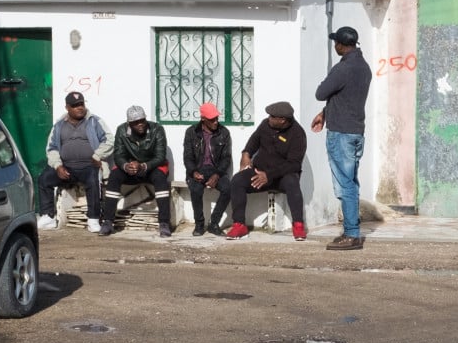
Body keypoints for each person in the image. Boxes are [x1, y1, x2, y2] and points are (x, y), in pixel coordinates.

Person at [312, 26, 372, 251]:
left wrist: (325, 108)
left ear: (340, 44)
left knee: (345, 185)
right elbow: (346, 98)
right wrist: (325, 113)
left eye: (336, 42)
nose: (334, 46)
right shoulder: (364, 67)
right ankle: (351, 230)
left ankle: (352, 234)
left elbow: (320, 93)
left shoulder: (343, 67)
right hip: (356, 131)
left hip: (341, 135)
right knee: (351, 182)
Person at [225, 101, 308, 241]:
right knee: (237, 180)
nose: (268, 118)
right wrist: (246, 153)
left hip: (281, 177)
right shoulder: (265, 125)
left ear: (282, 120)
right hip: (259, 173)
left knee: (293, 182)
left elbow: (294, 164)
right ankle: (239, 224)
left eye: (272, 116)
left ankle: (298, 225)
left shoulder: (297, 134)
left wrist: (268, 175)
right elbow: (253, 141)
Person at [101, 105, 175, 237]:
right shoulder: (122, 130)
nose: (140, 124)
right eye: (135, 123)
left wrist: (143, 166)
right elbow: (118, 155)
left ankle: (164, 223)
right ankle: (107, 221)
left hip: (151, 168)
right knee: (114, 176)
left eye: (142, 120)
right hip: (131, 169)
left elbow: (160, 156)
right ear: (129, 123)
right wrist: (126, 166)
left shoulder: (157, 129)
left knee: (160, 178)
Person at [40, 92, 108, 233]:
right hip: (66, 167)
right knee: (44, 179)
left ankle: (93, 219)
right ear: (67, 108)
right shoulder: (59, 125)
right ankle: (48, 216)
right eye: (75, 105)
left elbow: (109, 140)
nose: (79, 108)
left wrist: (97, 155)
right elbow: (51, 148)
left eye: (81, 104)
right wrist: (58, 166)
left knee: (93, 180)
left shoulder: (94, 121)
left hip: (89, 165)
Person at [182, 102, 233, 236]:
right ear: (203, 119)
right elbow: (187, 156)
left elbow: (226, 158)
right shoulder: (191, 132)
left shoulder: (224, 132)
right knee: (196, 189)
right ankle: (199, 224)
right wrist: (193, 172)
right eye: (212, 119)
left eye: (217, 118)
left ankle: (214, 223)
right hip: (197, 169)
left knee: (228, 189)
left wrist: (217, 175)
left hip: (217, 170)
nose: (216, 122)